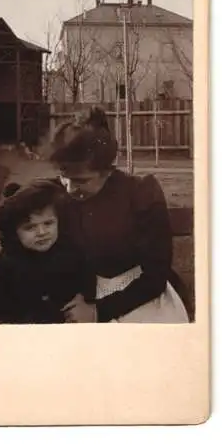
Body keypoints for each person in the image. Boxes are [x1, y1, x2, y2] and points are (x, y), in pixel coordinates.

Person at [46, 106, 189, 323]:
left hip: (142, 300)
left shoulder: (141, 194)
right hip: (86, 297)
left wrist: (98, 312)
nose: (69, 188)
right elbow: (24, 197)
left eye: (81, 181)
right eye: (64, 177)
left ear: (107, 171)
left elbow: (156, 275)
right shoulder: (62, 193)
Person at [0, 180, 97, 324]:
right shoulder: (2, 264)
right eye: (30, 227)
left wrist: (86, 300)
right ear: (14, 232)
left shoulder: (71, 251)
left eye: (48, 223)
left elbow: (89, 280)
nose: (42, 232)